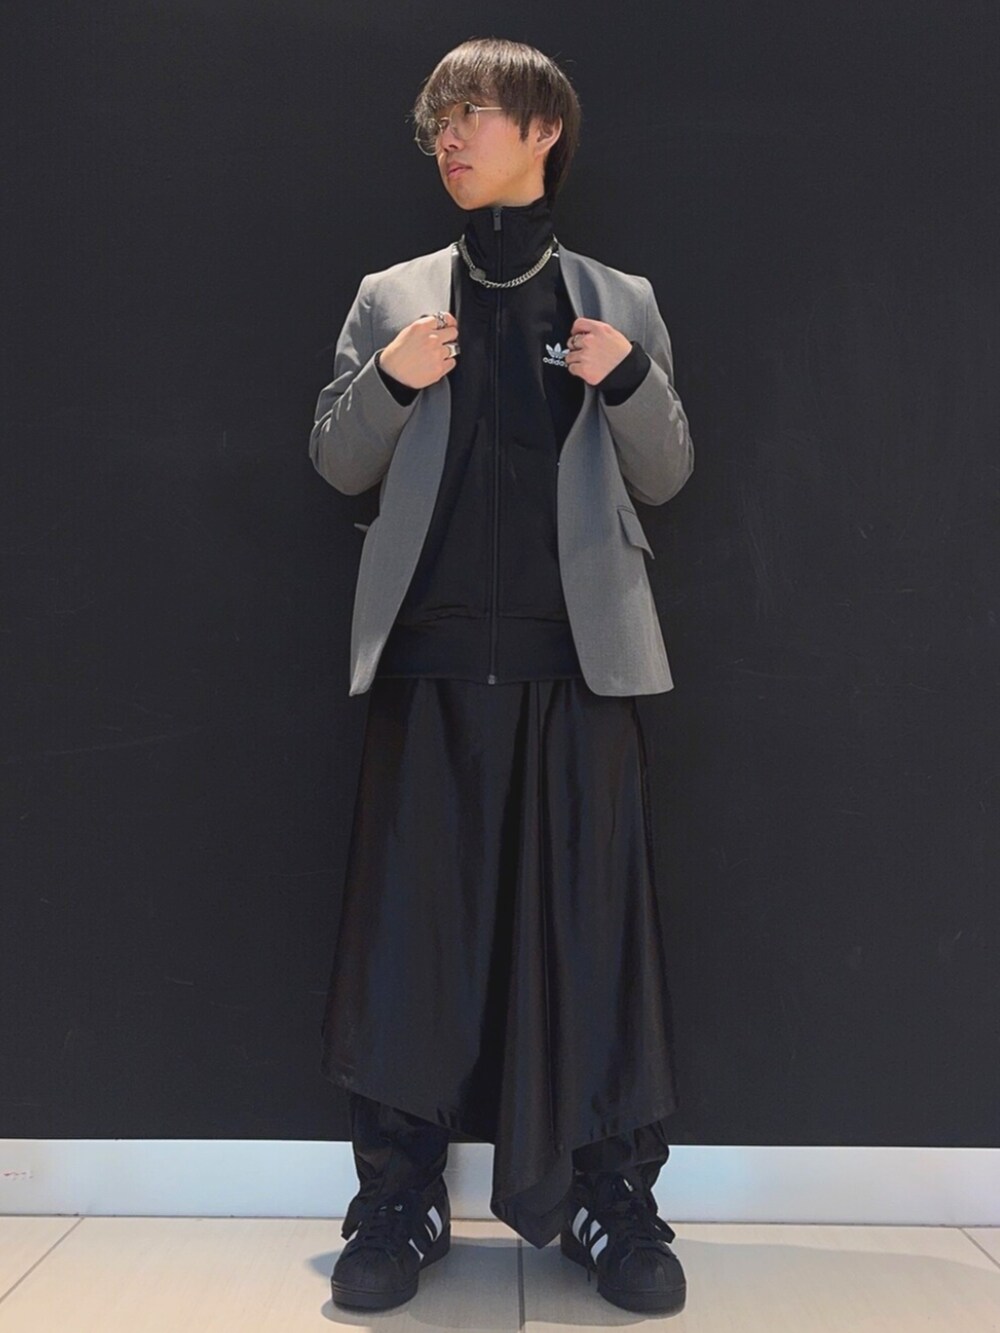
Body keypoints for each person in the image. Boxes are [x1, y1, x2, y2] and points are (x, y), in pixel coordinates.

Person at [308, 37, 695, 1318]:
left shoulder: (617, 298)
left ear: (543, 130)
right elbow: (335, 458)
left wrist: (625, 375)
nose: (449, 136)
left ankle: (608, 1199)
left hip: (579, 672)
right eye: (438, 118)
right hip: (426, 667)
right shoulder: (391, 296)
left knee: (592, 939)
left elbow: (669, 469)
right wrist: (389, 380)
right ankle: (397, 1200)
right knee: (409, 945)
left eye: (472, 112)